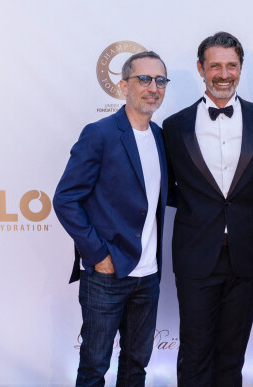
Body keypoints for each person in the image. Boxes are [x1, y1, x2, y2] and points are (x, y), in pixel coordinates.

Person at [162, 31, 253, 386]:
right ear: (201, 69)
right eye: (215, 66)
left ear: (240, 69)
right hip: (195, 255)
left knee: (233, 354)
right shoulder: (174, 126)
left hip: (245, 256)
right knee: (195, 353)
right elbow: (168, 190)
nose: (223, 74)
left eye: (231, 65)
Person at [53, 51, 169, 386]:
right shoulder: (100, 133)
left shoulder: (161, 136)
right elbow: (65, 199)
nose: (153, 87)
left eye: (160, 80)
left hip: (148, 278)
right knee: (94, 367)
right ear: (123, 86)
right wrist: (98, 255)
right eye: (143, 79)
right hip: (107, 275)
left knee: (136, 367)